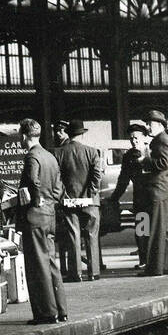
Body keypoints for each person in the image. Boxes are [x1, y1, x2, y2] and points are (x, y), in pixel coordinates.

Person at [15, 118, 67, 325]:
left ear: (24, 135)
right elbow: (59, 186)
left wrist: (36, 200)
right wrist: (49, 202)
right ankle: (61, 310)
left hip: (34, 217)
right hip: (49, 216)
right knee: (51, 262)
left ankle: (46, 313)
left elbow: (34, 182)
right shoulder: (50, 156)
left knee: (38, 265)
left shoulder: (32, 157)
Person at [54, 118, 104, 282]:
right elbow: (97, 175)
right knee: (91, 234)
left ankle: (76, 273)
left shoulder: (59, 152)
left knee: (73, 235)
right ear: (82, 135)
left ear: (68, 134)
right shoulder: (92, 152)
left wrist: (64, 195)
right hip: (90, 201)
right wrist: (91, 191)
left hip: (69, 201)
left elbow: (57, 178)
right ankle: (93, 272)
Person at [109, 122, 154, 268]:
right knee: (142, 229)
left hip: (155, 196)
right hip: (140, 198)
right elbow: (123, 180)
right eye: (131, 139)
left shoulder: (152, 152)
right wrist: (114, 197)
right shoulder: (128, 156)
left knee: (156, 229)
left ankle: (157, 259)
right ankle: (144, 260)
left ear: (144, 137)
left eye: (136, 138)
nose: (133, 141)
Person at [142, 110, 168, 276]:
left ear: (160, 125)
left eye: (150, 124)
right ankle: (167, 266)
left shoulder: (160, 140)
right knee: (165, 229)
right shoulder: (165, 139)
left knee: (155, 229)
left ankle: (154, 268)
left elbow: (163, 163)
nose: (147, 126)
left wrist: (145, 160)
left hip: (158, 188)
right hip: (164, 189)